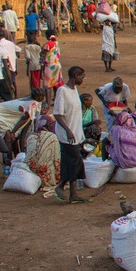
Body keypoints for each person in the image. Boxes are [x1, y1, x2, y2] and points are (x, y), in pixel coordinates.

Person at [53, 66, 87, 203]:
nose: (83, 79)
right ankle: (61, 186)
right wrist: (68, 130)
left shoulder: (74, 90)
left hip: (75, 134)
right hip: (67, 135)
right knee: (74, 161)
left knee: (74, 163)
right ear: (75, 75)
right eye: (81, 76)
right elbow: (57, 114)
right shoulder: (62, 91)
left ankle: (72, 193)